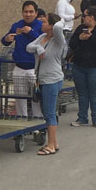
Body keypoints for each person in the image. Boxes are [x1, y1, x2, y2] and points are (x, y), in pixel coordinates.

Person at [27, 16, 68, 154]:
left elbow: (57, 28)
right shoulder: (42, 37)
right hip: (41, 79)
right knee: (45, 112)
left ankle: (50, 145)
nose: (41, 23)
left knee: (50, 113)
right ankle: (54, 143)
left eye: (44, 21)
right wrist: (38, 47)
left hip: (52, 79)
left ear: (51, 25)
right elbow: (28, 47)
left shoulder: (58, 40)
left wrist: (62, 18)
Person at [68, 6, 96, 128]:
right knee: (82, 94)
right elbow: (72, 44)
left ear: (91, 17)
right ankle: (82, 118)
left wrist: (91, 37)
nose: (82, 18)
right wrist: (80, 38)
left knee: (95, 94)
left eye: (84, 16)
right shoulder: (81, 28)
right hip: (79, 65)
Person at [0, 1, 43, 118]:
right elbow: (4, 41)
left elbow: (44, 42)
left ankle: (37, 121)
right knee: (20, 97)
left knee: (36, 98)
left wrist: (31, 32)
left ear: (36, 13)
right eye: (25, 12)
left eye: (31, 12)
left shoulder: (41, 26)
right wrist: (7, 39)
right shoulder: (17, 25)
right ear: (22, 13)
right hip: (19, 67)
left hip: (35, 69)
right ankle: (21, 120)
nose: (28, 14)